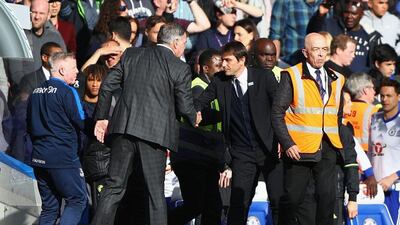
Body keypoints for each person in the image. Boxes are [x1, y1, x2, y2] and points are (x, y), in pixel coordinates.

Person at [90, 22, 201, 225]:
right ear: (176, 43)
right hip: (155, 135)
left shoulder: (132, 54)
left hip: (123, 129)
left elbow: (106, 85)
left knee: (114, 187)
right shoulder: (180, 67)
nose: (184, 48)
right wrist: (195, 117)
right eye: (184, 43)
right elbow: (185, 107)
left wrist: (102, 117)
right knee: (155, 193)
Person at [195, 41, 283, 225]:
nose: (223, 65)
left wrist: (284, 140)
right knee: (238, 203)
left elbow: (280, 109)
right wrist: (194, 112)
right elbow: (200, 101)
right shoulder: (220, 80)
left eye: (227, 60)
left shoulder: (264, 77)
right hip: (242, 152)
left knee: (278, 201)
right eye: (222, 61)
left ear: (241, 60)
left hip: (270, 148)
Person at [272, 33, 345, 225]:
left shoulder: (337, 78)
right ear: (305, 52)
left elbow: (337, 114)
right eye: (315, 50)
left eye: (324, 50)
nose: (320, 54)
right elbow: (277, 113)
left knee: (327, 199)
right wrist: (287, 143)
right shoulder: (292, 75)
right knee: (293, 199)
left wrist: (335, 140)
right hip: (299, 149)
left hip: (327, 146)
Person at [26, 52, 87, 225]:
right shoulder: (67, 91)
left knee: (50, 208)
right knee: (77, 200)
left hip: (39, 157)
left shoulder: (35, 92)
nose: (77, 72)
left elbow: (28, 125)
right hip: (63, 157)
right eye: (74, 67)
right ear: (61, 70)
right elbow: (81, 121)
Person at [168, 49, 223, 225]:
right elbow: (198, 116)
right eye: (218, 66)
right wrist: (228, 114)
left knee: (210, 206)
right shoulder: (198, 87)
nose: (222, 69)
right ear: (205, 68)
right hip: (191, 157)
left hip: (206, 156)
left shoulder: (214, 87)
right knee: (197, 205)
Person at [307, 0, 382, 72]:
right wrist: (320, 15)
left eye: (354, 13)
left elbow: (373, 64)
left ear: (361, 15)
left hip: (361, 81)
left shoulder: (370, 35)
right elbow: (312, 34)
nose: (349, 16)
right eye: (346, 12)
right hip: (336, 78)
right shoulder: (332, 27)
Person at [369, 78, 400, 224]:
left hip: (396, 189)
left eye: (389, 96)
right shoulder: (374, 119)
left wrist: (393, 177)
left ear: (398, 96)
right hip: (375, 189)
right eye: (382, 96)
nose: (384, 99)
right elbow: (371, 151)